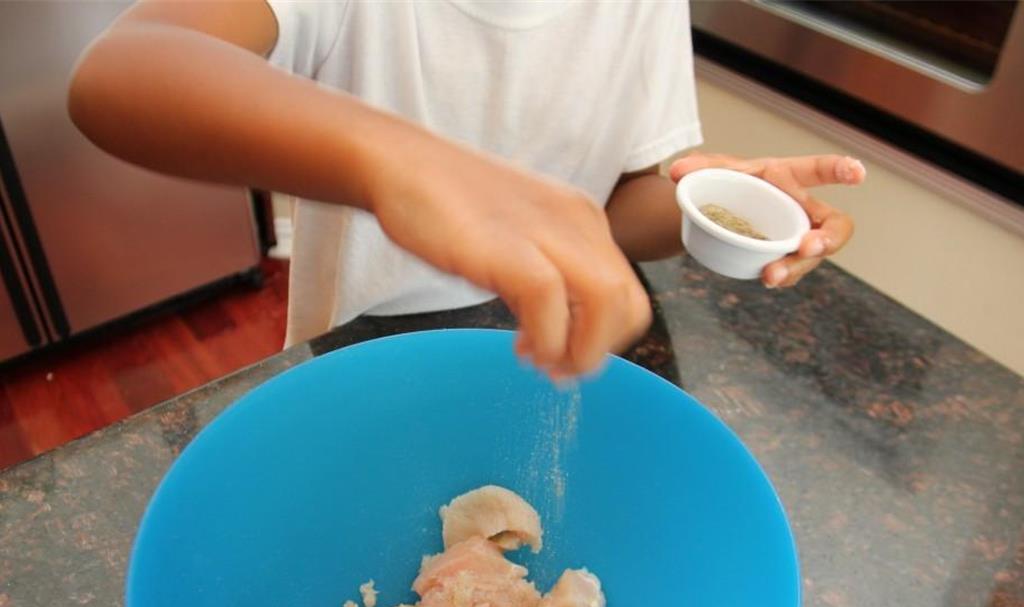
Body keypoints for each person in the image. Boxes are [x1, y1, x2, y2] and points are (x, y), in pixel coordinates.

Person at [68, 0, 865, 379]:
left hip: (553, 334)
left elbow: (620, 210)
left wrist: (710, 205)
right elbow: (123, 71)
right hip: (368, 346)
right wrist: (408, 162)